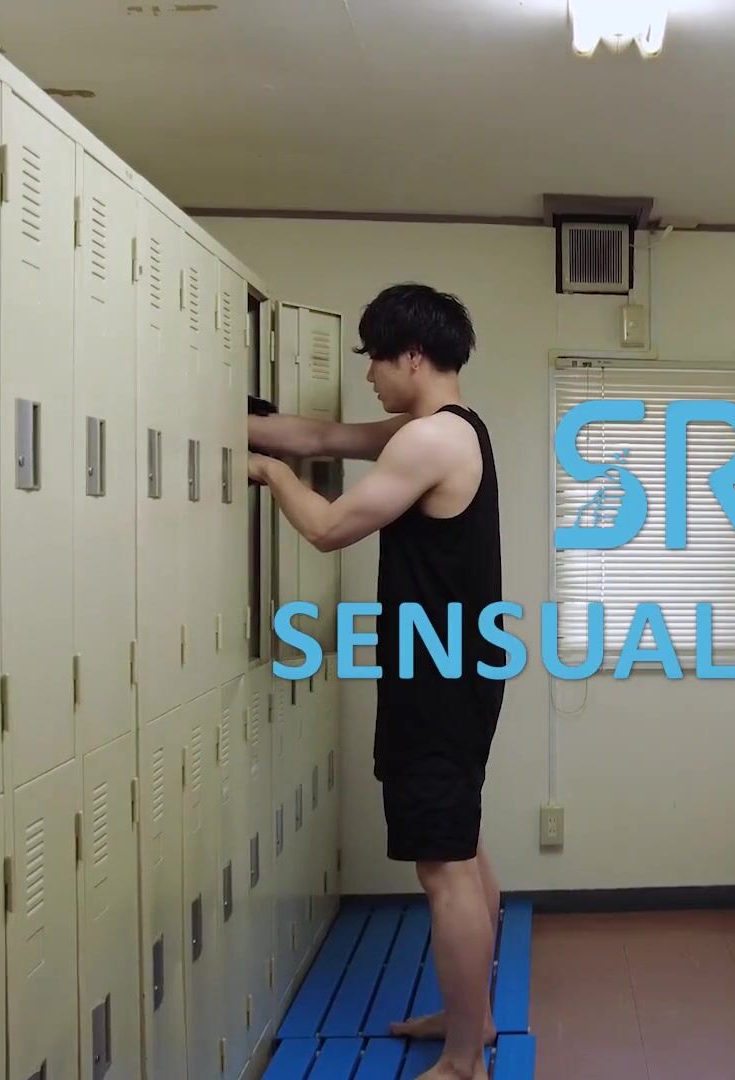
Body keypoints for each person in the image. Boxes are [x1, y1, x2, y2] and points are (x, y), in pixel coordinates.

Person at [248, 283, 505, 1080]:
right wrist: (226, 421)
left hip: (438, 679)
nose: (367, 374)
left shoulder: (429, 442)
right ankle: (472, 1020)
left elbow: (328, 528)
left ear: (413, 357)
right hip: (452, 668)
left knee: (444, 867)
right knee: (461, 850)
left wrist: (271, 474)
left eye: (375, 359)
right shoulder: (449, 428)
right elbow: (322, 435)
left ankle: (464, 1060)